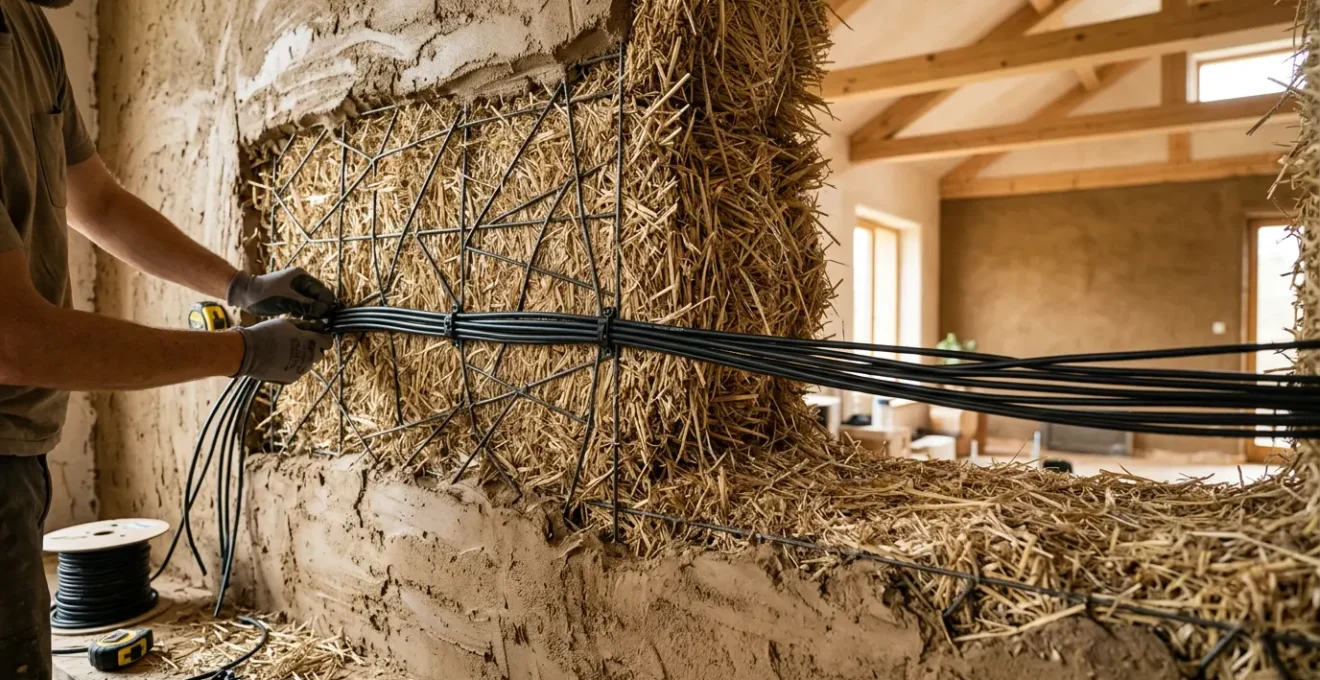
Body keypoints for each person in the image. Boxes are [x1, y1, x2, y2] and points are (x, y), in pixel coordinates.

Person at [0, 1, 337, 677]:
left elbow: (98, 202)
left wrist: (239, 287)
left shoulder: (29, 31)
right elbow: (16, 339)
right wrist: (241, 352)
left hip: (19, 448)